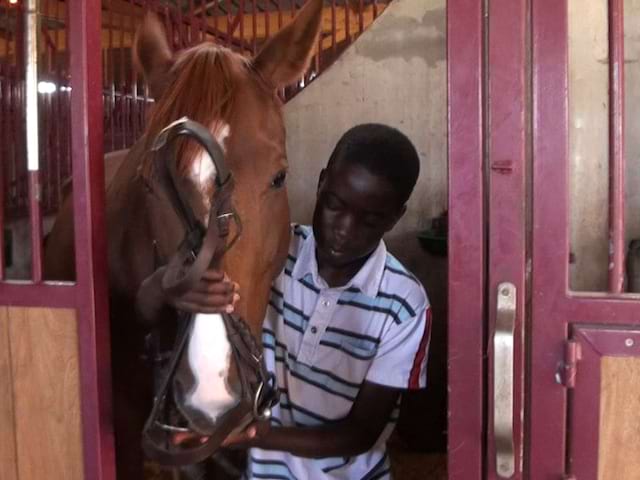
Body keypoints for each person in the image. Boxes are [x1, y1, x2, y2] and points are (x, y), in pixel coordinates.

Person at [218, 123, 432, 479]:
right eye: (335, 204)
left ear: (395, 217)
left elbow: (361, 433)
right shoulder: (271, 254)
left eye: (370, 219)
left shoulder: (404, 306)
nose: (345, 228)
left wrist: (256, 436)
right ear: (321, 183)